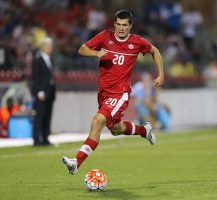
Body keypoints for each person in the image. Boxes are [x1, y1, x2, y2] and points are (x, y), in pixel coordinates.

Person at [62, 10, 164, 175]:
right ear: (114, 24)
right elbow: (82, 49)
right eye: (118, 24)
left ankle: (76, 162)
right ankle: (144, 131)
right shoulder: (104, 37)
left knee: (97, 121)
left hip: (120, 93)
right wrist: (96, 53)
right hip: (104, 93)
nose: (121, 28)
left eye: (124, 25)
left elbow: (154, 51)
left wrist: (161, 74)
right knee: (116, 129)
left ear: (130, 26)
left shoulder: (137, 42)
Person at [31, 37, 56, 146]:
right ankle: (36, 139)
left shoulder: (50, 59)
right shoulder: (38, 60)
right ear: (43, 47)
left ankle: (45, 138)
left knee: (47, 117)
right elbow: (36, 78)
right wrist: (39, 91)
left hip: (50, 93)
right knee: (39, 117)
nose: (50, 48)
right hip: (41, 93)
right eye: (48, 46)